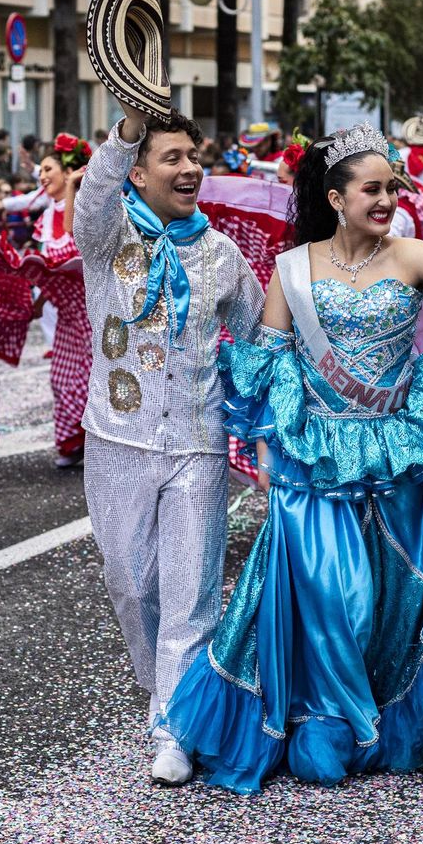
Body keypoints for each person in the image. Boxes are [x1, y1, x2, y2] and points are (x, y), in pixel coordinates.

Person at [161, 123, 423, 792]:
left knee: (394, 592)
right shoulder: (292, 268)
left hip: (396, 452)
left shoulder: (412, 256)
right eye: (372, 189)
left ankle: (374, 716)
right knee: (327, 591)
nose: (386, 200)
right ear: (336, 196)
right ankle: (322, 717)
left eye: (392, 188)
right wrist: (265, 442)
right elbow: (268, 360)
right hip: (315, 453)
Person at [77, 101, 265, 786]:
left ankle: (175, 725)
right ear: (139, 171)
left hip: (198, 442)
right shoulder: (107, 239)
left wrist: (269, 434)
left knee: (191, 592)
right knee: (131, 584)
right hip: (116, 440)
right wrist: (126, 130)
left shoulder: (223, 256)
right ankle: (164, 682)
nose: (190, 170)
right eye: (173, 158)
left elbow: (255, 346)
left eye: (195, 157)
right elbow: (93, 192)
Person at [0, 133, 94, 467]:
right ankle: (74, 442)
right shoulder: (46, 215)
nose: (41, 176)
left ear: (69, 172)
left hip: (94, 313)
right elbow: (51, 268)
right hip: (69, 315)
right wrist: (35, 306)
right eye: (40, 170)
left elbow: (75, 238)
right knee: (63, 379)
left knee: (91, 380)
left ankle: (99, 443)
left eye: (47, 169)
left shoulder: (85, 205)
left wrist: (72, 186)